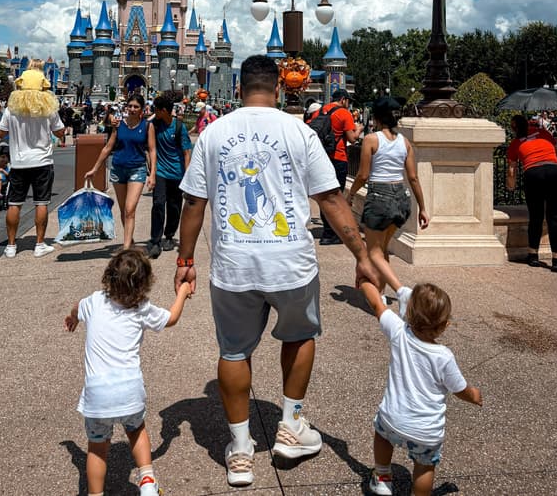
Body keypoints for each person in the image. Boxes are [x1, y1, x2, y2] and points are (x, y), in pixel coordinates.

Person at [176, 54, 380, 487]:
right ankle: (290, 427)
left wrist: (185, 260)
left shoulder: (214, 132)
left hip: (234, 264)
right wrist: (361, 254)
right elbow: (330, 199)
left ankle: (241, 450)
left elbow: (194, 202)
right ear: (279, 88)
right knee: (300, 335)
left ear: (238, 89)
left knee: (234, 351)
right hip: (290, 263)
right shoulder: (299, 131)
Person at [64, 247, 191, 496]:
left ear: (108, 277)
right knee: (136, 430)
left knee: (97, 447)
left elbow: (77, 307)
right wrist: (183, 293)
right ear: (144, 285)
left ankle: (95, 494)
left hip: (97, 396)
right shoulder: (141, 307)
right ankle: (146, 482)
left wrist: (73, 318)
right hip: (129, 390)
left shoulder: (94, 301)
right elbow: (172, 318)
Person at [360, 281, 482, 496]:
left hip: (391, 418)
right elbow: (459, 389)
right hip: (425, 432)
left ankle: (382, 477)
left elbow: (377, 305)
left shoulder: (399, 331)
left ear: (407, 312)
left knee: (382, 435)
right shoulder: (444, 356)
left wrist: (364, 282)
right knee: (425, 466)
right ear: (444, 326)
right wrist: (474, 396)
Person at [347, 97, 429, 308]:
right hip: (401, 197)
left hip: (380, 196)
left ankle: (402, 291)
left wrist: (351, 194)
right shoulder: (405, 142)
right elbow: (413, 178)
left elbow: (363, 175)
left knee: (372, 252)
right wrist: (423, 208)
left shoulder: (371, 139)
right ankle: (381, 293)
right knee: (382, 249)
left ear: (376, 117)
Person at [0, 60, 65, 258]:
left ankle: (10, 246)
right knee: (41, 202)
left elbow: (0, 133)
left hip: (18, 162)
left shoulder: (12, 109)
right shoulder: (48, 108)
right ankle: (40, 244)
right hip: (42, 161)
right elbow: (60, 132)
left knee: (14, 204)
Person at [85, 94, 156, 250]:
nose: (132, 109)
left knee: (130, 209)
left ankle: (125, 249)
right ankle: (130, 243)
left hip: (137, 169)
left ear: (142, 109)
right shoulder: (118, 125)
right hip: (118, 169)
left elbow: (152, 150)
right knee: (125, 210)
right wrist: (95, 168)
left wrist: (152, 175)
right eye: (130, 106)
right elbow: (108, 147)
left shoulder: (147, 126)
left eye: (136, 107)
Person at [506, 114, 557, 271]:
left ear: (514, 128)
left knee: (536, 216)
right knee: (555, 216)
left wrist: (511, 187)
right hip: (554, 170)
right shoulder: (543, 133)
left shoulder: (515, 144)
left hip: (533, 173)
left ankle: (533, 256)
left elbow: (511, 169)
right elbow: (556, 149)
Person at [146, 93, 192, 259]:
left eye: (156, 110)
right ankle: (155, 240)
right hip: (160, 172)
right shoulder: (155, 125)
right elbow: (145, 123)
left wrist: (187, 175)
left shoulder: (179, 127)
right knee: (158, 203)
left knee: (174, 206)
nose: (154, 112)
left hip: (177, 173)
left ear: (164, 110)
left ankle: (169, 236)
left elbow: (187, 152)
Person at [315, 88, 363, 245]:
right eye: (348, 101)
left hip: (322, 159)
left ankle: (328, 230)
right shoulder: (343, 113)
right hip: (338, 157)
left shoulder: (320, 111)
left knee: (325, 195)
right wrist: (359, 129)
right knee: (337, 195)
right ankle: (331, 233)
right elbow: (352, 138)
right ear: (343, 100)